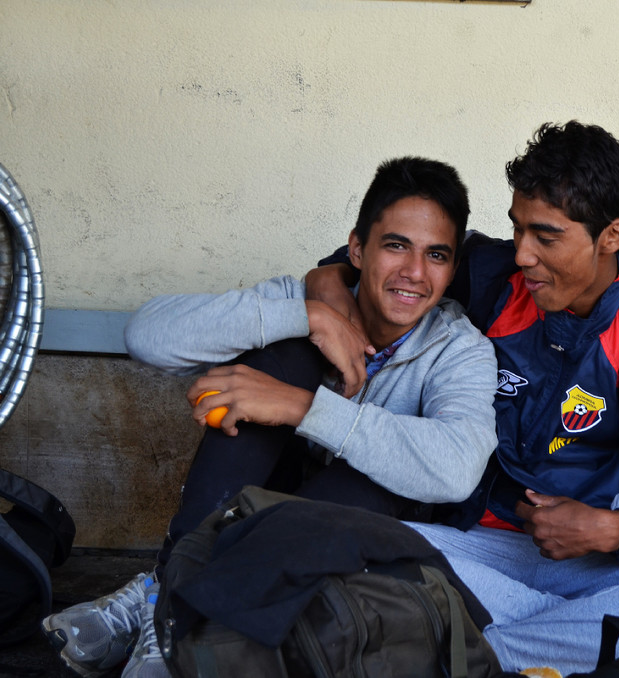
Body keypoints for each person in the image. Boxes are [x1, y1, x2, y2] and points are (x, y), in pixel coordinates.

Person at [308, 122, 619, 675]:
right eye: (517, 228)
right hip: (474, 550)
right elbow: (385, 258)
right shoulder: (492, 279)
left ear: (612, 236)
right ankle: (584, 636)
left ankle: (492, 651)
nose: (523, 253)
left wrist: (611, 528)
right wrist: (327, 284)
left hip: (599, 566)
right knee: (342, 541)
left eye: (546, 237)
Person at [41, 157, 498, 678]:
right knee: (282, 354)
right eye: (396, 245)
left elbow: (458, 468)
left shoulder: (459, 350)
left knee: (376, 478)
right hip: (252, 502)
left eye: (436, 255)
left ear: (452, 270)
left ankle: (170, 601)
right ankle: (170, 597)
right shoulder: (304, 297)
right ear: (356, 249)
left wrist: (300, 406)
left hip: (348, 550)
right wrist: (306, 315)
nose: (414, 272)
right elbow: (145, 335)